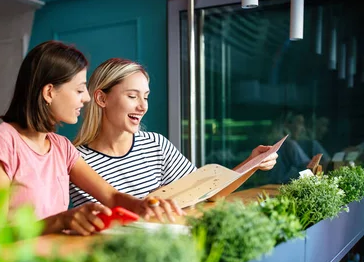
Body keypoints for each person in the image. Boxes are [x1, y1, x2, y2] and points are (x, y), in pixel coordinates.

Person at [0, 42, 182, 236]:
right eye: (79, 89)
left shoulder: (62, 147)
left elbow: (111, 196)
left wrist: (143, 205)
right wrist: (61, 220)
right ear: (49, 92)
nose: (87, 98)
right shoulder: (2, 142)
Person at [70, 58, 278, 208]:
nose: (143, 106)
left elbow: (208, 192)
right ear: (102, 99)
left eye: (146, 97)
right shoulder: (75, 160)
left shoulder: (156, 145)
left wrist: (252, 163)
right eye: (133, 96)